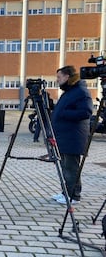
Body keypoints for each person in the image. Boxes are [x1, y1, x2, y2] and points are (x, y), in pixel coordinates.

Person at [51, 65, 93, 204]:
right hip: (64, 137)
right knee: (65, 167)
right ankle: (66, 192)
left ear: (67, 77)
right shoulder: (70, 91)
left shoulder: (80, 91)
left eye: (59, 77)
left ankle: (74, 196)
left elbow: (86, 112)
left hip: (73, 137)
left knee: (71, 168)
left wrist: (63, 114)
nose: (57, 80)